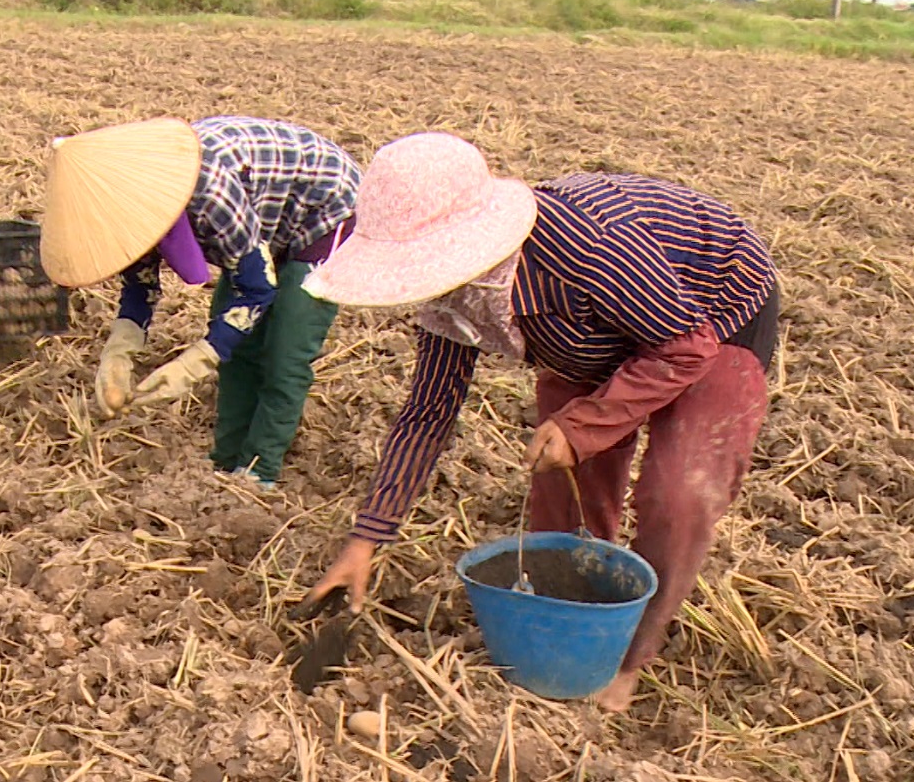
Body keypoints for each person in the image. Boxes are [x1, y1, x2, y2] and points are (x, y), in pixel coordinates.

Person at [298, 132, 779, 712]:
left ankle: (630, 654)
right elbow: (427, 413)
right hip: (584, 339)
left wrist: (584, 426)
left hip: (707, 320)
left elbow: (684, 349)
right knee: (560, 482)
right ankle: (576, 618)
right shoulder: (455, 296)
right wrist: (366, 540)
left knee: (678, 494)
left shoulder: (589, 247)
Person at [40, 116, 359, 485]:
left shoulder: (208, 195)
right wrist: (118, 353)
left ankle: (258, 471)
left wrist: (194, 363)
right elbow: (139, 288)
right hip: (262, 215)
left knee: (286, 349)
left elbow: (256, 290)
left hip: (326, 208)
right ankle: (225, 463)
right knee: (238, 349)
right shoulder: (127, 210)